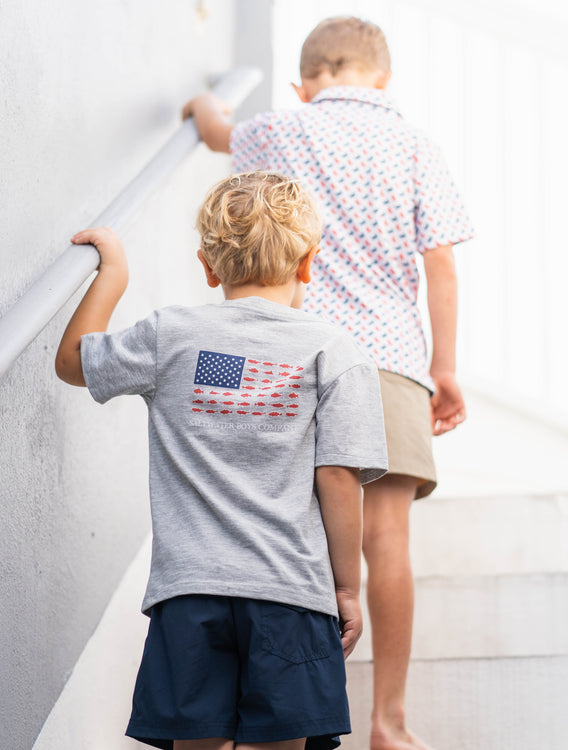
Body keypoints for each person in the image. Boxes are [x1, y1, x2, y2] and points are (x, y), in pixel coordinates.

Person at [182, 16, 474, 750]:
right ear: (384, 78)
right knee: (387, 538)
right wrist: (444, 366)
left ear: (302, 82)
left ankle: (294, 710)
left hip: (296, 359)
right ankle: (390, 721)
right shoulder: (414, 141)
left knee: (297, 532)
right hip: (390, 359)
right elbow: (440, 259)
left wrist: (199, 106)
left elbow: (221, 131)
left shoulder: (277, 129)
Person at [55, 171, 389, 750]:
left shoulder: (170, 335)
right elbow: (337, 477)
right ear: (310, 261)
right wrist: (348, 589)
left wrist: (114, 275)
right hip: (290, 593)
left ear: (208, 266)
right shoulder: (334, 351)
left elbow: (73, 363)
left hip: (190, 594)